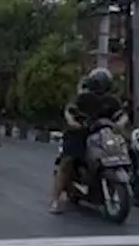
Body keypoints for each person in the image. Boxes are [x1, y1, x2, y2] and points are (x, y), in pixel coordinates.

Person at [49, 68, 121, 213]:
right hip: (79, 134)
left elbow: (122, 115)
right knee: (67, 161)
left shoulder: (112, 100)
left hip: (102, 134)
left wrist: (120, 124)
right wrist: (73, 123)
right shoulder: (82, 98)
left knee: (119, 152)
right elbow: (69, 111)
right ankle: (55, 200)